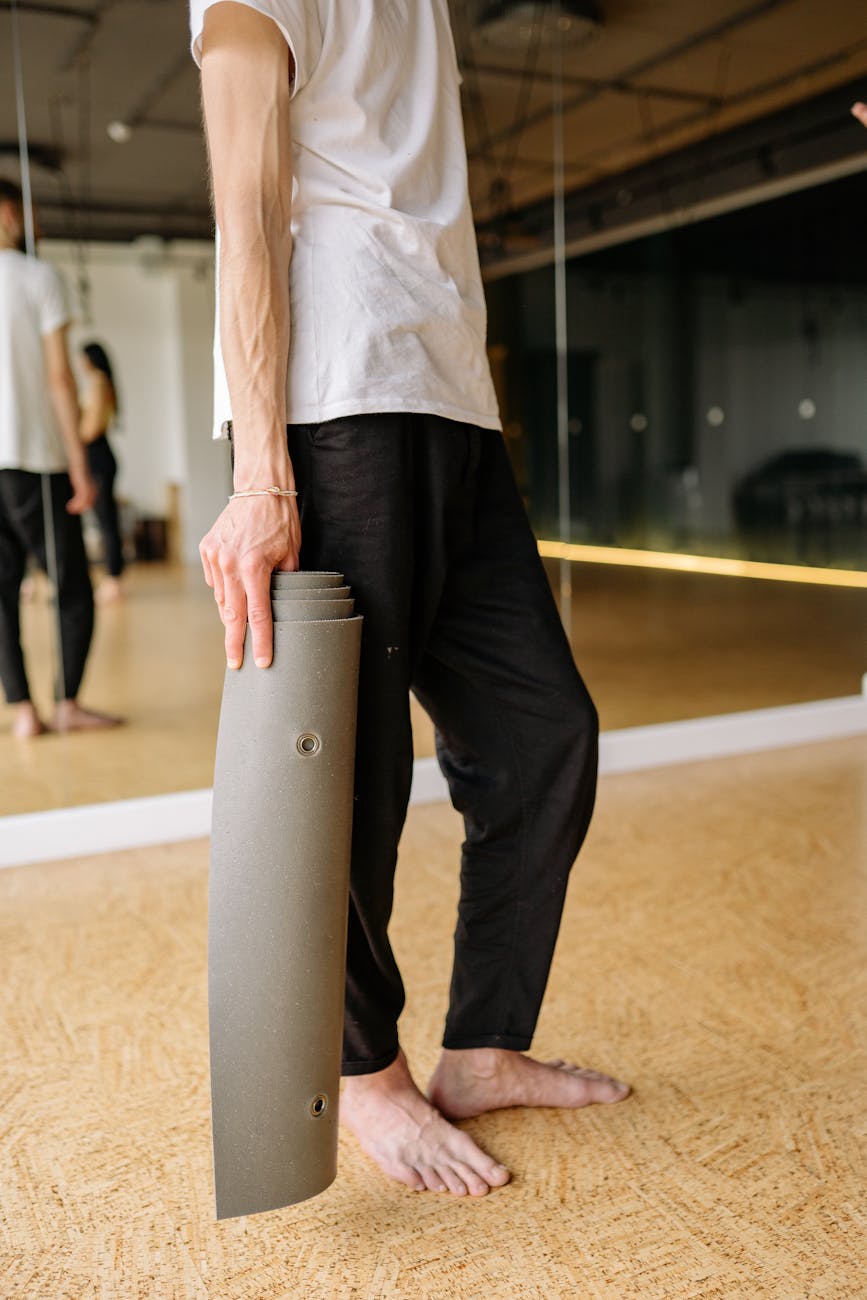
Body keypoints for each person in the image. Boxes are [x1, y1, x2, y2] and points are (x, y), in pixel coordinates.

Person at [191, 0, 630, 1199]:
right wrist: (262, 471)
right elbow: (244, 202)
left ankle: (482, 1046)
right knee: (352, 774)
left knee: (542, 734)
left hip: (447, 391)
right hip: (336, 397)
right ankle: (366, 1069)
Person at [0, 179, 119, 736]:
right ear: (8, 214)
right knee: (71, 586)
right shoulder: (38, 277)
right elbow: (57, 377)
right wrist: (80, 465)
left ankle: (23, 710)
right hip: (35, 462)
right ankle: (67, 702)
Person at [79, 341, 125, 603]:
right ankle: (113, 577)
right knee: (105, 518)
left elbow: (91, 428)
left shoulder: (97, 381)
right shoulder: (101, 381)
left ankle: (113, 579)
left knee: (106, 519)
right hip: (100, 456)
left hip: (97, 456)